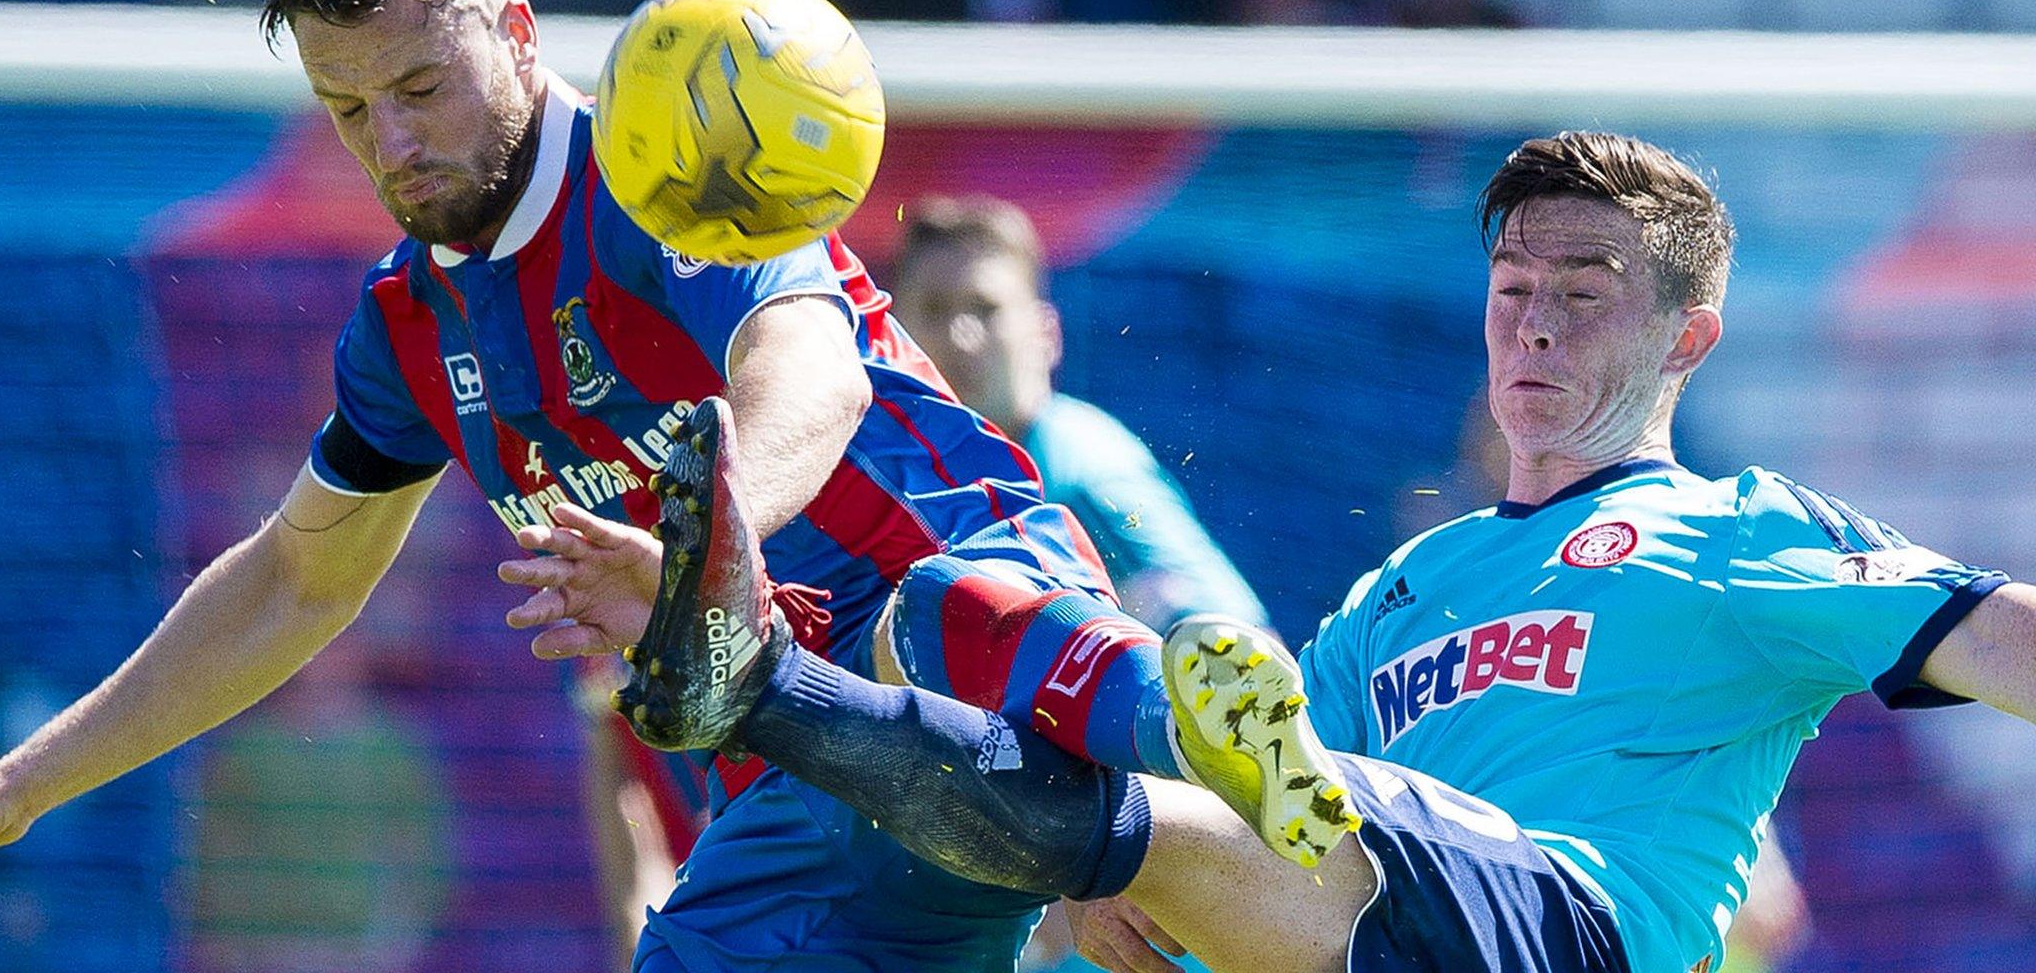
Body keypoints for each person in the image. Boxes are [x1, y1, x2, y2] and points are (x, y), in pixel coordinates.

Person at [0, 0, 1236, 972]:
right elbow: (293, 584)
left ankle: (1198, 770)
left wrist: (706, 541)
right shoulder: (407, 328)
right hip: (795, 760)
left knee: (1284, 896)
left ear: (519, 33)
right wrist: (25, 785)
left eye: (420, 89)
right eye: (348, 108)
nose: (391, 145)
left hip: (961, 624)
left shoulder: (661, 169)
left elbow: (809, 358)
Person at [553, 130, 2036, 973]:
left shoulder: (1740, 533)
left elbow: (1999, 636)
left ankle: (752, 685)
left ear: (1687, 338)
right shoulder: (1406, 589)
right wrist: (1106, 872)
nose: (1530, 320)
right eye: (1514, 283)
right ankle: (777, 697)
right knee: (958, 630)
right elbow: (1262, 780)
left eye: (1584, 294)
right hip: (1376, 931)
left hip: (1560, 934)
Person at [890, 194, 1268, 636]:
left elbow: (1241, 643)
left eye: (985, 308)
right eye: (934, 309)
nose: (961, 336)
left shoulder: (1081, 472)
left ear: (1046, 335)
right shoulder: (884, 465)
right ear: (892, 334)